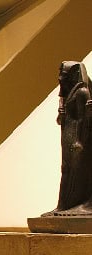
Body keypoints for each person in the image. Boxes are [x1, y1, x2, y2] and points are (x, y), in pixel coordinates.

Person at [42, 61, 92, 216]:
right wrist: (61, 112)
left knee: (76, 172)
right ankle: (63, 205)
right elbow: (61, 120)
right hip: (68, 136)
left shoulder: (82, 92)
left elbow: (83, 119)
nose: (60, 78)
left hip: (77, 138)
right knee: (66, 170)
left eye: (64, 74)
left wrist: (79, 140)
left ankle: (77, 204)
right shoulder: (69, 94)